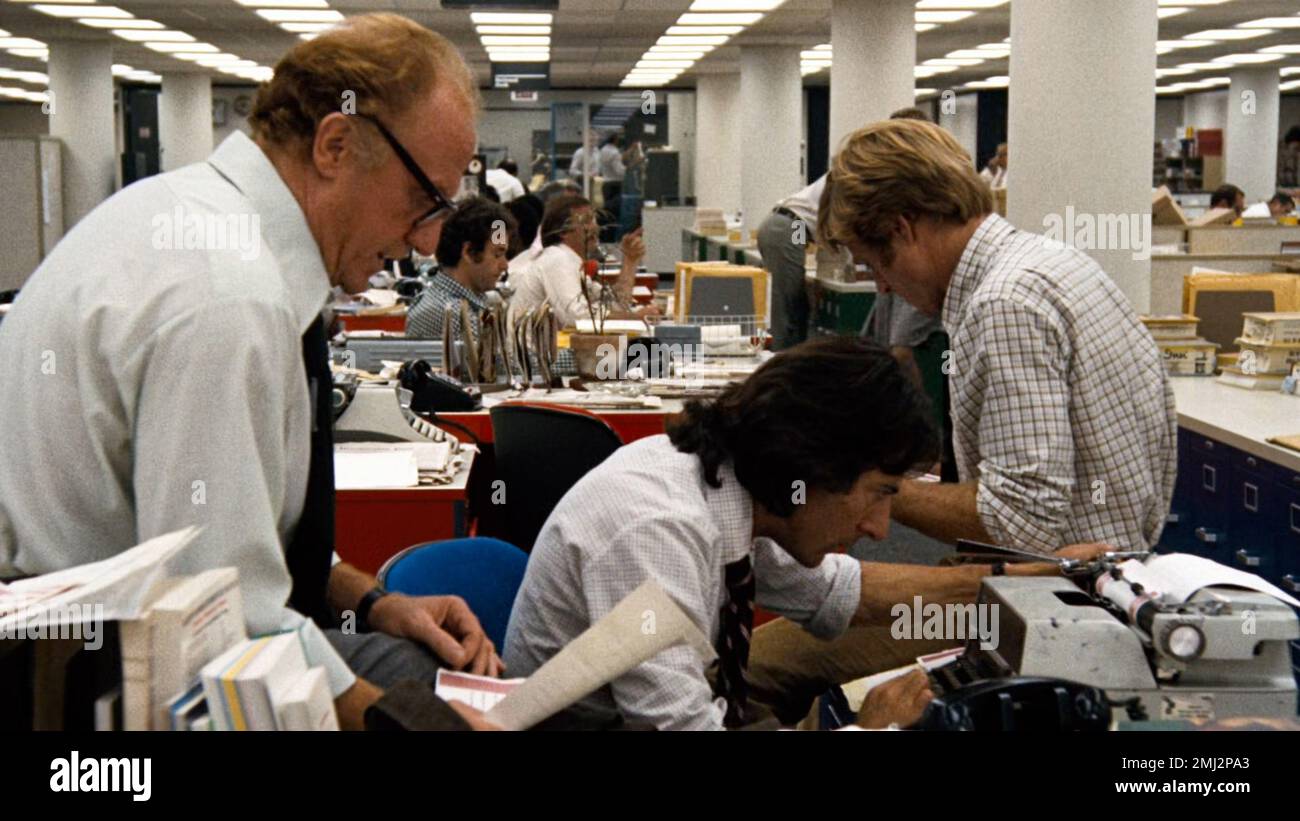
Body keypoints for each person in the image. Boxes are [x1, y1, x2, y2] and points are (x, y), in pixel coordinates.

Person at [0, 14, 501, 731]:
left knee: (414, 665)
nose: (423, 242)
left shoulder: (191, 223)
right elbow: (230, 620)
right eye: (424, 200)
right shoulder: (229, 298)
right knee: (437, 699)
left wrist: (369, 599)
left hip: (116, 643)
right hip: (103, 689)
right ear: (336, 144)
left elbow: (227, 534)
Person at [503, 336, 1109, 730]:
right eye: (879, 494)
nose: (878, 527)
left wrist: (1026, 579)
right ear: (812, 468)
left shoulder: (728, 485)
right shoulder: (657, 529)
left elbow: (843, 592)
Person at [818, 118, 1177, 555]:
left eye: (875, 265)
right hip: (1113, 567)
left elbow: (1020, 521)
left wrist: (875, 487)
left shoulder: (1004, 305)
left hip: (1062, 600)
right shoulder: (1057, 261)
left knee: (832, 619)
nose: (883, 288)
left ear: (901, 229)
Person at [508, 193, 651, 327]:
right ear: (563, 232)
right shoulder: (557, 259)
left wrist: (630, 262)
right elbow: (576, 317)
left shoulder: (571, 263)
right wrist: (634, 318)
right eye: (587, 221)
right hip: (532, 353)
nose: (595, 227)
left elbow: (615, 305)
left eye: (594, 219)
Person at [406, 197, 516, 340]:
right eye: (497, 254)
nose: (505, 265)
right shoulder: (455, 315)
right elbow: (508, 361)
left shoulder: (447, 302)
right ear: (469, 252)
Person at [1277, 125, 1300, 194]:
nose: (1297, 152)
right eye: (1296, 148)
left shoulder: (1295, 157)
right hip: (1283, 192)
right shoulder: (1279, 158)